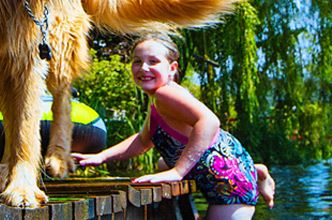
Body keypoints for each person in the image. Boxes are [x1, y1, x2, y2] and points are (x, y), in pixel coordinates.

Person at [73, 36, 276, 220]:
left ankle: (252, 172)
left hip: (229, 182)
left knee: (169, 169)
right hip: (213, 166)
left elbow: (210, 121)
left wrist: (178, 172)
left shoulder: (165, 94)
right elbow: (143, 141)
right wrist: (101, 156)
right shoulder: (158, 99)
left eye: (153, 61)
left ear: (172, 68)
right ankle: (255, 169)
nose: (143, 67)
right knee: (163, 164)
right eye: (137, 61)